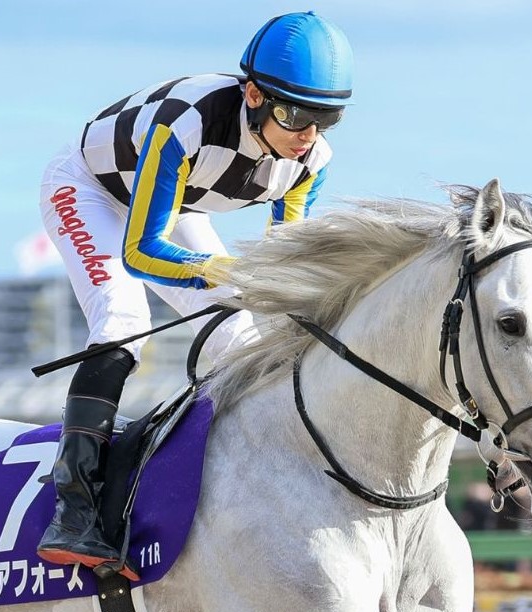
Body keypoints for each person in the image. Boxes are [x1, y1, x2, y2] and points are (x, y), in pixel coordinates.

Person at [35, 11, 352, 572]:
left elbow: (283, 265)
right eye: (296, 115)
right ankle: (75, 510)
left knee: (238, 335)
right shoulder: (187, 124)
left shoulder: (310, 162)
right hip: (90, 191)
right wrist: (228, 272)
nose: (309, 136)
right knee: (122, 319)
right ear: (253, 95)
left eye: (326, 119)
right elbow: (141, 253)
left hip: (169, 203)